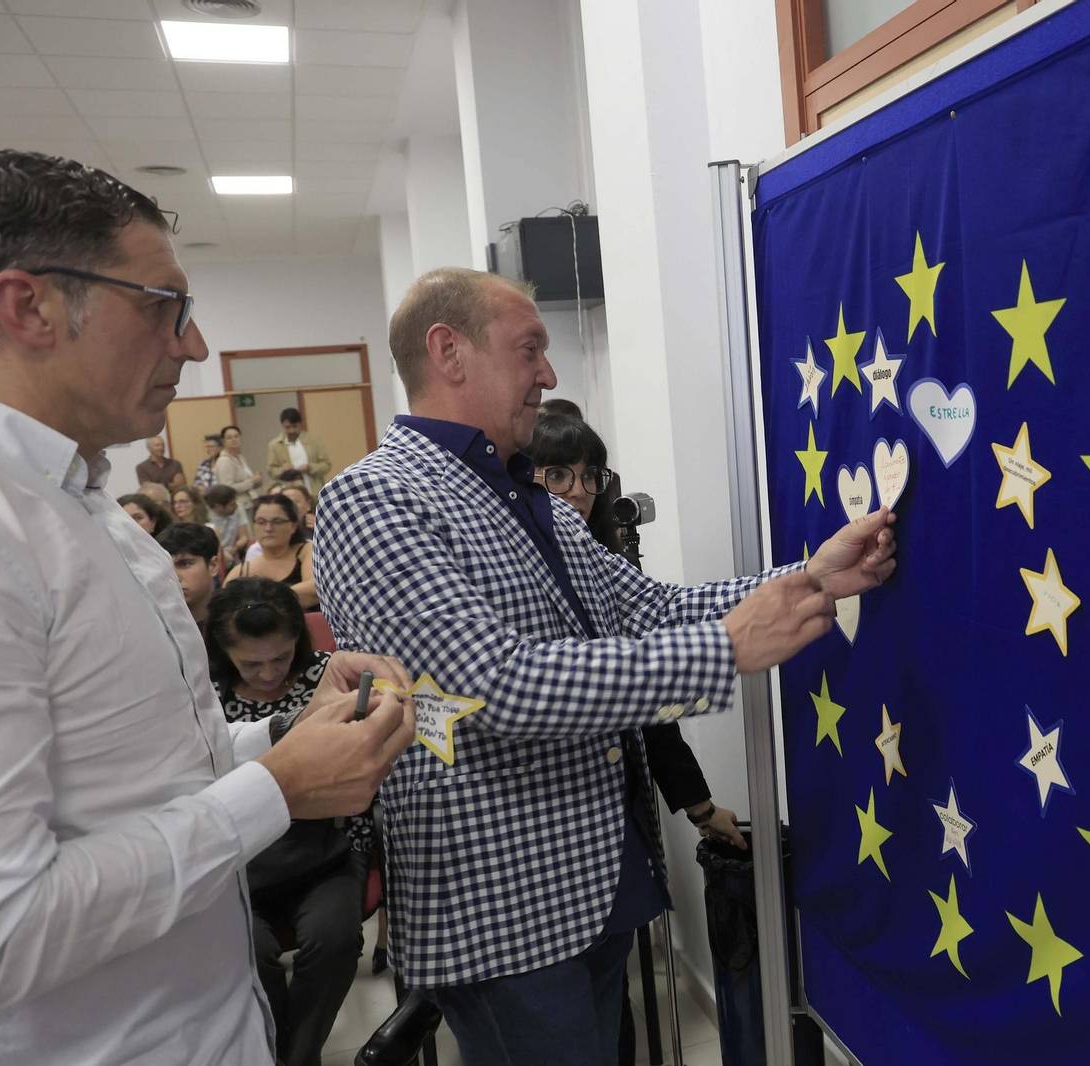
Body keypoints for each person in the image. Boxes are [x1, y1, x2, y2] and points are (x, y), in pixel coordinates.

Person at [314, 266, 895, 1066]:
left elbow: (648, 608)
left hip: (593, 880)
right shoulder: (375, 499)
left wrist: (811, 576)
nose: (549, 376)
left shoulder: (536, 501)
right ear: (448, 352)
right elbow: (493, 685)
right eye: (530, 351)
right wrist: (726, 648)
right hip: (503, 906)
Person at [0, 148, 417, 1066]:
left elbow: (133, 770)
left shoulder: (91, 506)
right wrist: (278, 791)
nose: (194, 346)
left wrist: (282, 735)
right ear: (30, 306)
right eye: (163, 307)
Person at [531, 413, 745, 1066]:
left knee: (608, 1004)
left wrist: (698, 805)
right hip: (535, 833)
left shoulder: (605, 558)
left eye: (587, 475)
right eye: (556, 475)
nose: (575, 490)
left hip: (611, 814)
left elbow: (650, 697)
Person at [208, 578, 373, 1066]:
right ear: (224, 652)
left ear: (299, 642)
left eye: (280, 658)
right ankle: (279, 1052)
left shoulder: (329, 679)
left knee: (336, 938)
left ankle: (296, 1056)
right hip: (240, 857)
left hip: (327, 848)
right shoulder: (203, 695)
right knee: (246, 953)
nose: (267, 673)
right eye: (251, 663)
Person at [227, 492, 317, 611]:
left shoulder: (307, 550)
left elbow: (313, 590)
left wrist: (255, 604)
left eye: (277, 521)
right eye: (261, 522)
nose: (268, 528)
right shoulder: (242, 571)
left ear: (293, 526)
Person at [158, 521, 219, 629]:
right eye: (167, 566)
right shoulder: (154, 627)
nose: (175, 576)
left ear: (213, 566)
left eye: (184, 564)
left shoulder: (236, 626)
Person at [267, 407, 332, 497]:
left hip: (314, 490)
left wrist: (309, 467)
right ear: (282, 425)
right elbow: (271, 472)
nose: (292, 430)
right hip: (288, 492)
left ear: (300, 424)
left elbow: (326, 465)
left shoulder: (314, 441)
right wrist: (283, 469)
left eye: (295, 426)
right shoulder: (275, 445)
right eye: (288, 427)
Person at [214, 423, 262, 502]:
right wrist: (251, 481)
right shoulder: (224, 461)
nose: (234, 440)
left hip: (250, 500)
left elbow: (246, 484)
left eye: (236, 436)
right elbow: (227, 489)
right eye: (229, 438)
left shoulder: (241, 457)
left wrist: (257, 481)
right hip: (238, 504)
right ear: (223, 441)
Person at [206, 482, 251, 564]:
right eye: (232, 505)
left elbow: (244, 537)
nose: (236, 506)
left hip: (232, 553)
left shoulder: (238, 509)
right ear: (218, 506)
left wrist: (235, 547)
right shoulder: (205, 516)